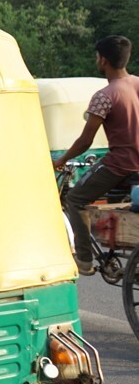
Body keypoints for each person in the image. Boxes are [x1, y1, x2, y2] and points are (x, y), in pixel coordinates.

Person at [54, 35, 139, 276]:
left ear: (103, 60)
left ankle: (84, 259)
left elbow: (85, 140)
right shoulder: (137, 84)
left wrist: (61, 160)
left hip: (121, 164)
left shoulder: (104, 96)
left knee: (75, 199)